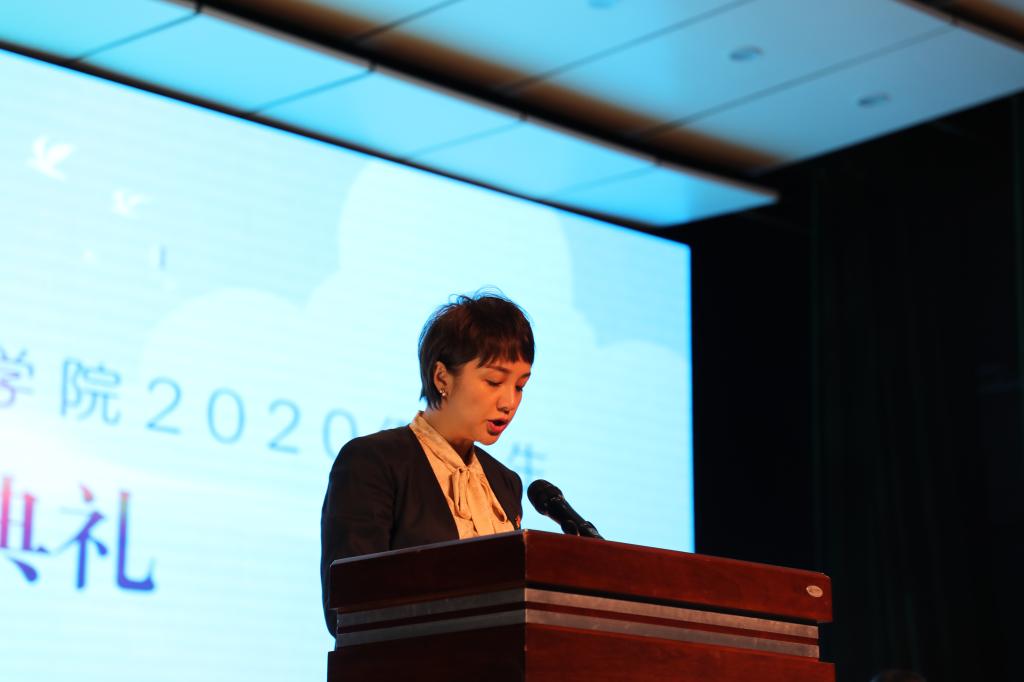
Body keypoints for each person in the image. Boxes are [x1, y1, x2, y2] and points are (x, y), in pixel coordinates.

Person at [319, 292, 534, 635]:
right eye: (494, 381)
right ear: (441, 377)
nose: (509, 402)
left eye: (520, 386)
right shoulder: (373, 462)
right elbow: (347, 609)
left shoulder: (504, 482)